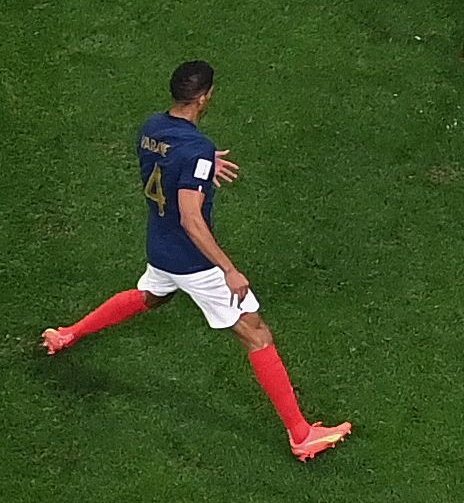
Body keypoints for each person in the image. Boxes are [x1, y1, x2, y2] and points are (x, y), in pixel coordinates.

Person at [41, 61, 351, 461]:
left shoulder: (152, 127)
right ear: (205, 97)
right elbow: (191, 217)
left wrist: (202, 170)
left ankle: (68, 334)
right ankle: (301, 434)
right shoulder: (197, 149)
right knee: (256, 333)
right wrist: (230, 269)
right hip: (193, 263)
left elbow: (167, 167)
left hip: (159, 245)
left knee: (152, 296)